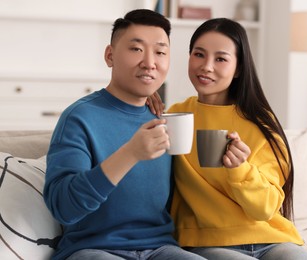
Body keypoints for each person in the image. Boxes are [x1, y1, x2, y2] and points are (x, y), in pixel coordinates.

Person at [43, 9, 206, 260]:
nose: (150, 62)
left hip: (162, 248)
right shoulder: (79, 118)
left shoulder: (164, 117)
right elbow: (63, 208)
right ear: (110, 56)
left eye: (160, 52)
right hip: (93, 250)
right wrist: (130, 153)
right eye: (136, 49)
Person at [151, 18, 307, 259]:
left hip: (272, 239)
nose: (206, 66)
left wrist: (240, 169)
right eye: (199, 54)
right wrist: (139, 100)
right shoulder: (176, 115)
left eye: (220, 59)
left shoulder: (260, 124)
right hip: (206, 241)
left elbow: (266, 208)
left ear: (238, 68)